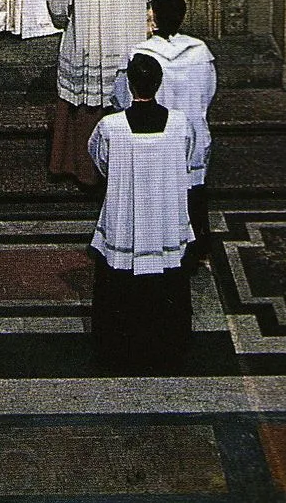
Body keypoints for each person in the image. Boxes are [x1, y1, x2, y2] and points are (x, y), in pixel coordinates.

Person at [88, 51, 195, 372]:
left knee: (120, 287)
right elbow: (186, 160)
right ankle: (169, 348)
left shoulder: (110, 127)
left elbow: (101, 163)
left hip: (126, 219)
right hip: (165, 219)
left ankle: (117, 350)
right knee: (167, 283)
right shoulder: (180, 124)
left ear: (129, 84)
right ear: (159, 83)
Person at [49, 0, 153, 186]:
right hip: (126, 53)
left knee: (86, 110)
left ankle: (82, 170)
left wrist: (67, 23)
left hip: (89, 49)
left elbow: (57, 7)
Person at [113, 0, 217, 256]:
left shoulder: (141, 54)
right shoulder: (200, 52)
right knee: (190, 195)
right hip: (191, 136)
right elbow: (208, 93)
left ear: (153, 17)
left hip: (152, 135)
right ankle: (193, 250)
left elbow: (125, 98)